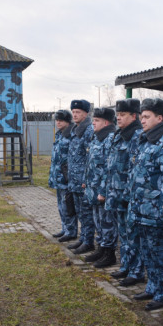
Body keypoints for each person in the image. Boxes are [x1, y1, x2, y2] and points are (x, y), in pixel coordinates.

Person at [127, 98, 163, 311]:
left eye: (147, 116)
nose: (142, 120)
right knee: (147, 251)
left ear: (161, 118)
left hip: (157, 211)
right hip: (141, 208)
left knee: (162, 254)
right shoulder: (144, 139)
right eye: (142, 116)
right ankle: (153, 286)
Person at [105, 98, 145, 286]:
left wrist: (130, 195)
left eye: (122, 115)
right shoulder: (119, 134)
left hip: (129, 196)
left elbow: (135, 169)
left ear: (134, 116)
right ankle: (126, 266)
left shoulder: (137, 136)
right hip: (117, 194)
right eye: (117, 115)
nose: (118, 118)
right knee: (124, 235)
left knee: (133, 236)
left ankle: (136, 272)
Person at [83, 107, 117, 267]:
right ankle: (101, 248)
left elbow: (109, 168)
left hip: (103, 190)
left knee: (106, 222)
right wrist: (86, 181)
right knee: (98, 220)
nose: (93, 123)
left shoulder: (109, 138)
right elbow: (90, 163)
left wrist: (103, 190)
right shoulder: (97, 138)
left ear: (106, 122)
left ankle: (109, 253)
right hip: (93, 188)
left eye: (96, 120)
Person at [67, 99, 95, 254]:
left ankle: (89, 241)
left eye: (78, 112)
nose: (75, 115)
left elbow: (90, 158)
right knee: (80, 212)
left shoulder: (89, 130)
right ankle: (83, 238)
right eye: (73, 112)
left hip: (83, 181)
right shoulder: (75, 130)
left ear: (86, 113)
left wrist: (86, 179)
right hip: (74, 180)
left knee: (87, 213)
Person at [48, 110, 77, 243]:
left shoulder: (71, 134)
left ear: (67, 121)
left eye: (61, 120)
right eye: (57, 120)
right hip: (58, 177)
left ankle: (71, 231)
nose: (58, 122)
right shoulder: (60, 135)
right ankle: (65, 228)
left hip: (66, 177)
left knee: (68, 206)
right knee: (61, 206)